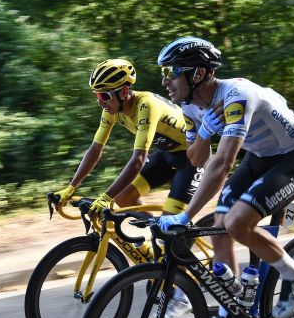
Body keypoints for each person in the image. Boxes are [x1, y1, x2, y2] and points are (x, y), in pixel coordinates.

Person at [156, 37, 294, 318]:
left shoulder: (235, 96)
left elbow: (222, 164)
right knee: (220, 226)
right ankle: (231, 306)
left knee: (237, 223)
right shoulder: (189, 104)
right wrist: (204, 133)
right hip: (260, 158)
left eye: (172, 72)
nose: (165, 81)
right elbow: (197, 159)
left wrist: (185, 216)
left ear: (198, 74)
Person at [53, 58, 205, 239]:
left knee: (169, 228)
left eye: (104, 96)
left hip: (192, 159)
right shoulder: (112, 110)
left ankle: (177, 256)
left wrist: (105, 198)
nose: (100, 102)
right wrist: (71, 187)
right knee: (124, 197)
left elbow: (138, 160)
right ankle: (159, 239)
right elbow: (95, 149)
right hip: (166, 154)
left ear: (124, 91)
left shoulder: (146, 104)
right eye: (97, 95)